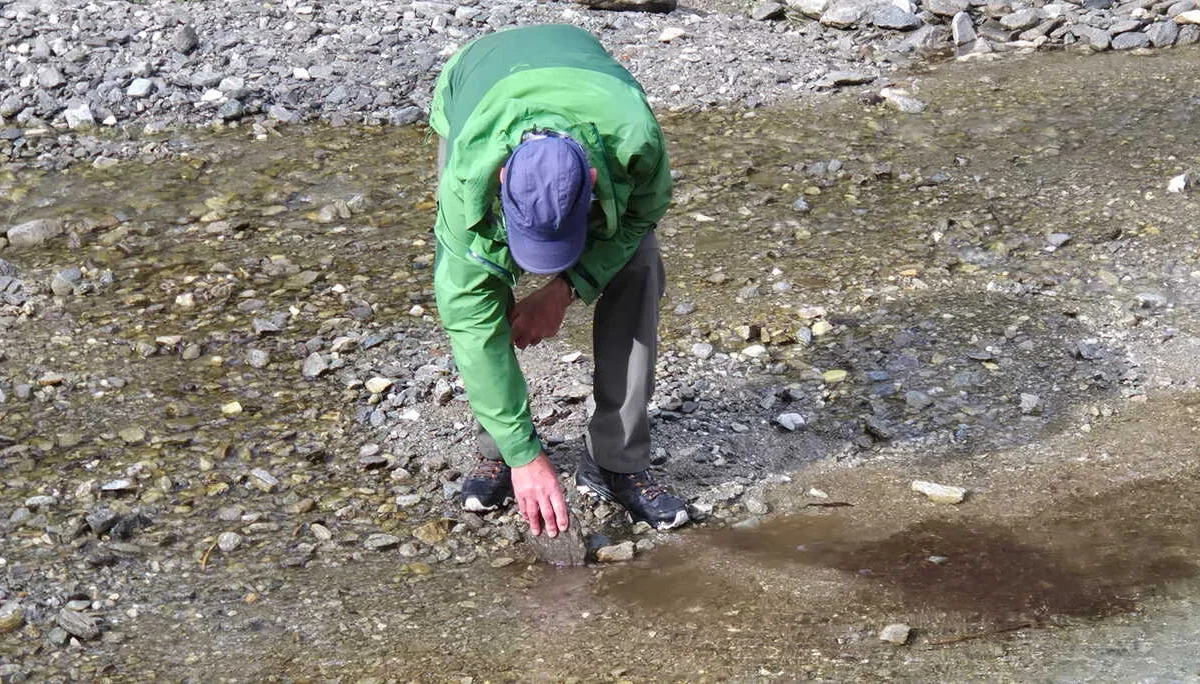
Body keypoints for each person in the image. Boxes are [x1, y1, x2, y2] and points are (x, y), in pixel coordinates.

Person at [429, 24, 689, 538]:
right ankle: (502, 450)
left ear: (591, 181)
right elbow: (470, 318)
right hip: (477, 79)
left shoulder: (633, 138)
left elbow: (641, 214)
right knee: (481, 274)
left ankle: (618, 460)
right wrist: (525, 454)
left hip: (593, 92)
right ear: (501, 178)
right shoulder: (467, 178)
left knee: (638, 264)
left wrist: (565, 289)